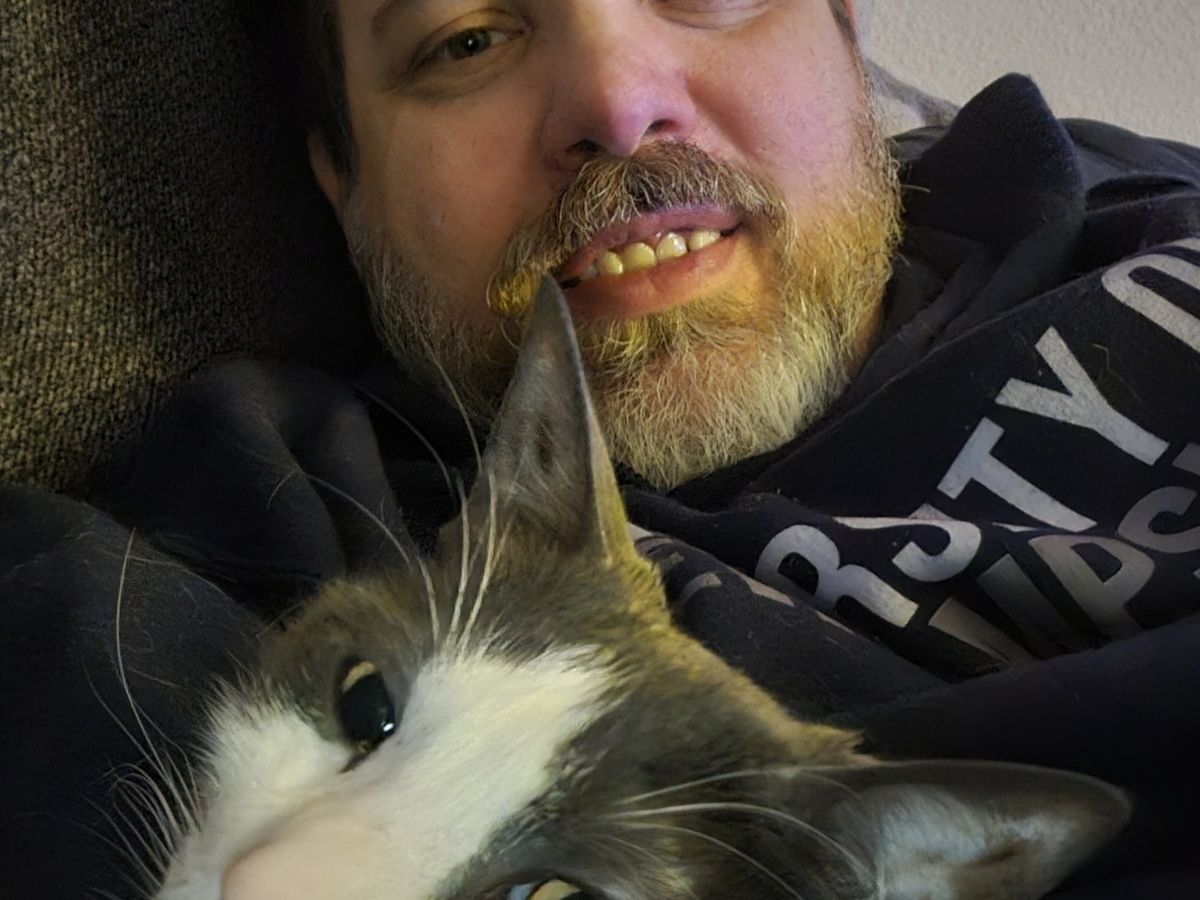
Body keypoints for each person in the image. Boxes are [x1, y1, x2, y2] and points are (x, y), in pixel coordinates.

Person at [2, 1, 1199, 897]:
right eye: (465, 39)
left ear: (846, 31)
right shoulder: (287, 503)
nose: (619, 105)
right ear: (343, 186)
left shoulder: (1141, 205)